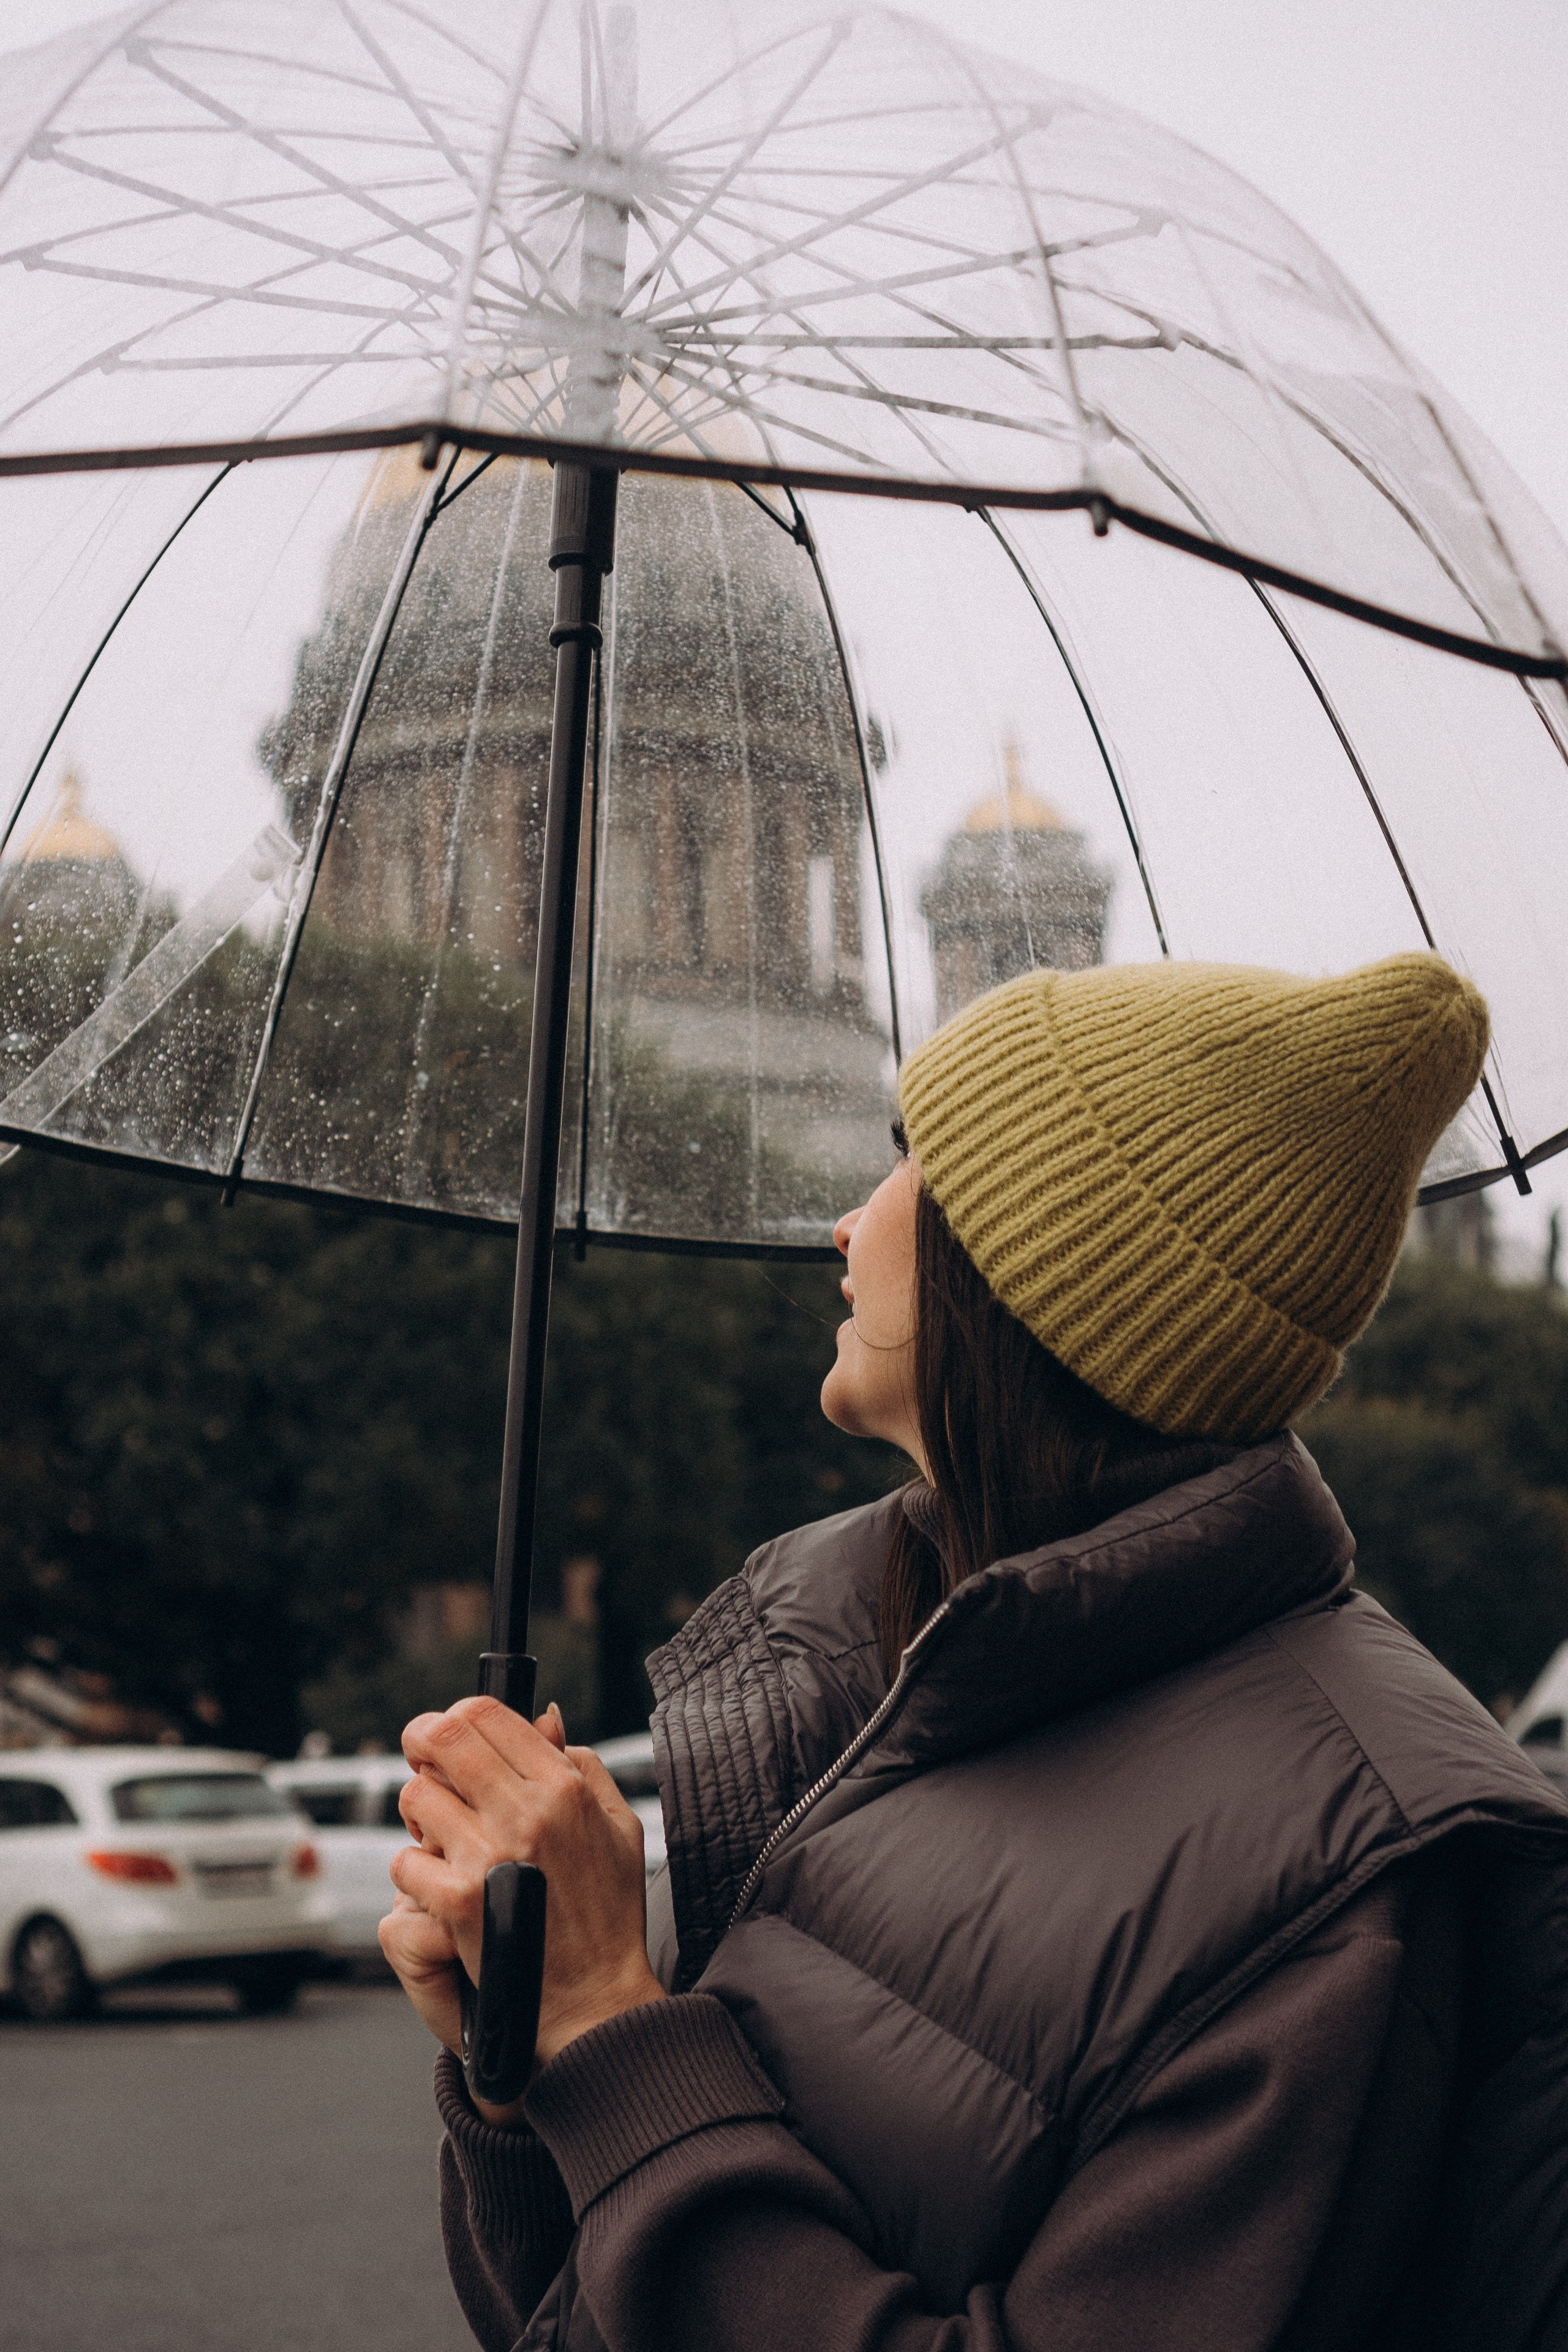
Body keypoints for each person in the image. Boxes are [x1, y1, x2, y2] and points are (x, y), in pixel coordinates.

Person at [382, 952, 1568, 2352]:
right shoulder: (892, 1673)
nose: (844, 1224)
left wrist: (607, 2029)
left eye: (906, 1159)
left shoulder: (1349, 1870)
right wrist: (527, 2081)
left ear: (1035, 1269)